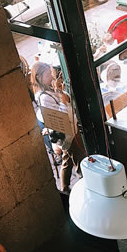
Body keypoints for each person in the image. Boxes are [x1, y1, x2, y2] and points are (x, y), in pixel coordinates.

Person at [31, 62, 85, 193]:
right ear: (39, 77)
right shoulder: (44, 97)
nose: (52, 76)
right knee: (79, 160)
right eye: (48, 74)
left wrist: (61, 92)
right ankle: (85, 185)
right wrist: (64, 100)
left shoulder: (49, 89)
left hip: (69, 130)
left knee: (67, 160)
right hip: (66, 133)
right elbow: (59, 115)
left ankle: (64, 187)